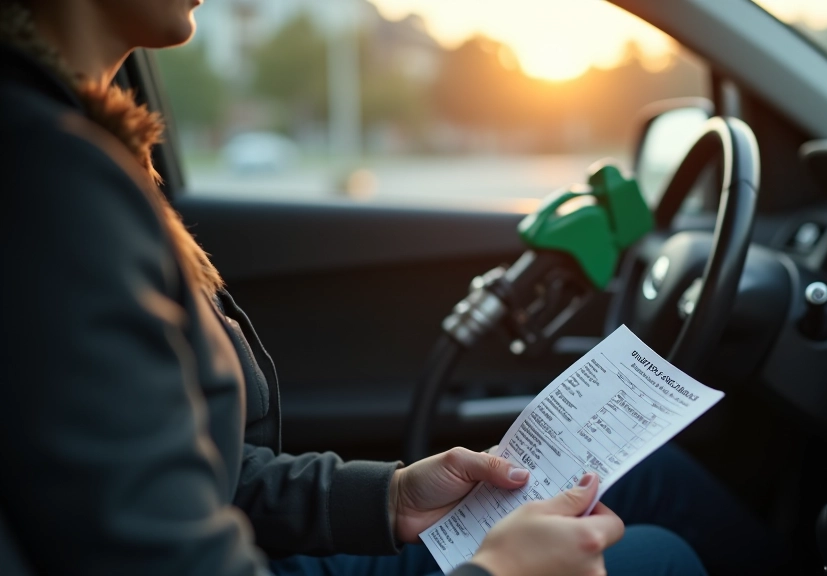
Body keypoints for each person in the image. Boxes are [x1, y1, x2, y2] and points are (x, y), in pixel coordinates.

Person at [0, 1, 778, 575]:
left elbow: (199, 471)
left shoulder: (78, 157)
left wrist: (389, 500)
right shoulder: (46, 182)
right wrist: (494, 574)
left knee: (658, 481)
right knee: (659, 555)